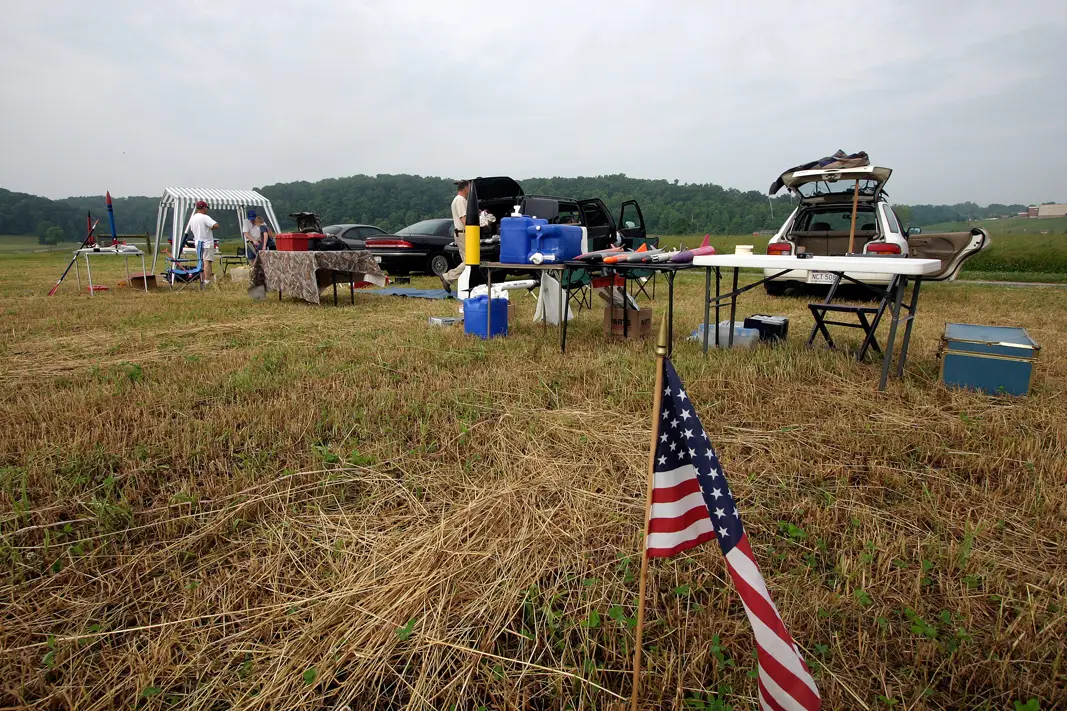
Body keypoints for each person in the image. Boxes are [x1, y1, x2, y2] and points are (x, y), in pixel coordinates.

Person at [440, 180, 469, 292]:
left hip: (460, 233)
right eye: (469, 187)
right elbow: (464, 218)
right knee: (470, 261)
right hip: (463, 233)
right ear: (466, 188)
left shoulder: (458, 200)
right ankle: (447, 277)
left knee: (467, 261)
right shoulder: (460, 200)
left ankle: (466, 284)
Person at [187, 200, 220, 284]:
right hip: (207, 243)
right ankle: (206, 280)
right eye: (206, 208)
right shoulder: (205, 217)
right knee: (207, 261)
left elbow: (191, 229)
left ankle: (202, 278)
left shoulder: (193, 218)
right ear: (204, 208)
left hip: (198, 242)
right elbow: (216, 225)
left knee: (200, 261)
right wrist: (211, 228)